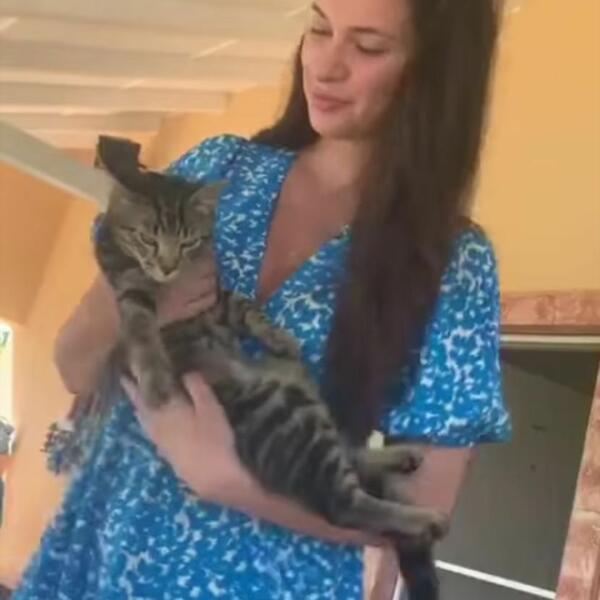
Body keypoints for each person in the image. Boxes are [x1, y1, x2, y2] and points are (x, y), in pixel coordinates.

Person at [14, 0, 511, 598]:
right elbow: (74, 364)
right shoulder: (216, 167)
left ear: (434, 70)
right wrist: (138, 304)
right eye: (320, 28)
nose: (325, 64)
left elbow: (424, 506)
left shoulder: (454, 262)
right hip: (98, 550)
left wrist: (229, 478)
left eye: (368, 46)